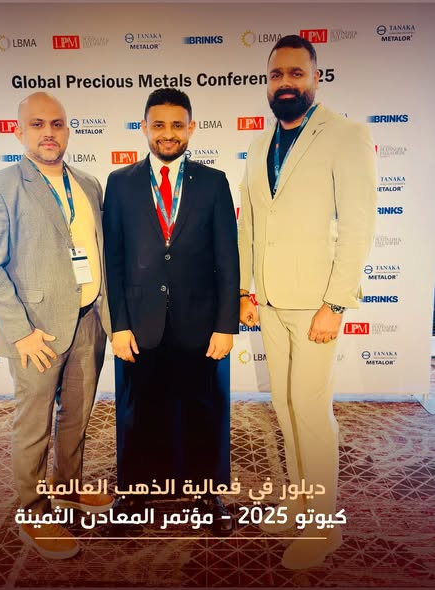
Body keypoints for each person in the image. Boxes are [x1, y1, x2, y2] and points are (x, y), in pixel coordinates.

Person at [238, 35, 376, 569]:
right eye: (277, 75)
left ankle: (323, 526)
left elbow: (358, 228)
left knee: (312, 412)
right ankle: (300, 502)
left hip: (317, 304)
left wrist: (335, 304)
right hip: (270, 302)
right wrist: (246, 290)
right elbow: (250, 224)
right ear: (267, 82)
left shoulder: (346, 135)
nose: (286, 83)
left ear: (316, 78)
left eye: (297, 73)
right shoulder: (259, 145)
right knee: (285, 406)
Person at [0, 91, 113, 559]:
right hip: (36, 332)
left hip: (88, 321)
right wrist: (21, 331)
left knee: (77, 417)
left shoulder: (89, 184)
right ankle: (33, 513)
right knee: (33, 426)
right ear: (19, 132)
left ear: (67, 130)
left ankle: (67, 489)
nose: (48, 133)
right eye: (37, 124)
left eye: (56, 124)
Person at [103, 88, 240, 535]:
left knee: (205, 409)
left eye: (177, 125)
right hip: (139, 322)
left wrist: (225, 325)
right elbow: (113, 261)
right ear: (144, 127)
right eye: (158, 125)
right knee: (137, 411)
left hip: (201, 323)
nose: (168, 133)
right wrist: (119, 325)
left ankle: (207, 493)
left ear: (191, 128)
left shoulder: (214, 182)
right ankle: (133, 495)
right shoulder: (120, 183)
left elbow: (228, 258)